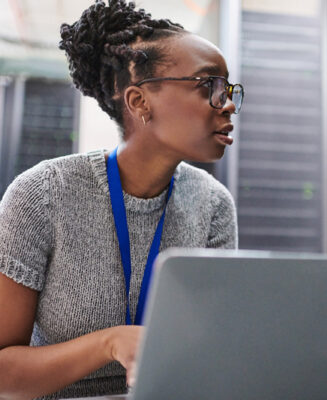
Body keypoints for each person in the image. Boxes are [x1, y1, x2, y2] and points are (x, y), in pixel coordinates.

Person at [0, 0, 244, 399]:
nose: (228, 103)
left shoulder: (213, 205)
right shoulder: (42, 194)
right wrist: (109, 343)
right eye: (209, 86)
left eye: (229, 89)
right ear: (139, 101)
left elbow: (212, 349)